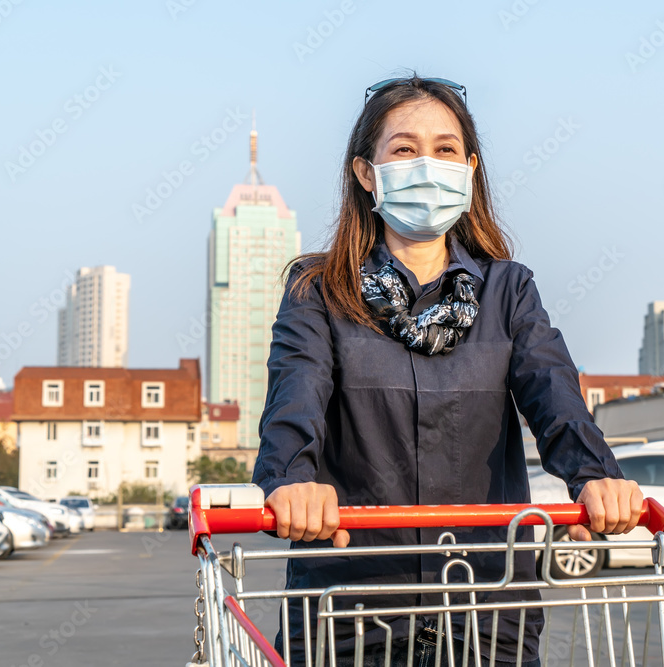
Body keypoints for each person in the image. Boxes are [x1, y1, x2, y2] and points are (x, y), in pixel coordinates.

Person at [252, 74, 643, 667]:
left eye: (445, 150)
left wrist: (594, 476)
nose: (427, 165)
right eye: (404, 149)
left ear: (469, 168)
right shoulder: (319, 290)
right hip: (349, 604)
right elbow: (295, 395)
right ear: (366, 172)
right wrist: (290, 481)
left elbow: (551, 390)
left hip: (485, 603)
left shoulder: (508, 290)